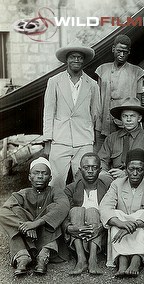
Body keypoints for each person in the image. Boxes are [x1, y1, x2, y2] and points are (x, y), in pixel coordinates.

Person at [43, 42, 100, 189]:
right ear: (66, 60)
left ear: (84, 60)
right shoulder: (54, 82)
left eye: (80, 57)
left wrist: (94, 140)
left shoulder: (92, 84)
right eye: (73, 57)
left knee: (83, 180)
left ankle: (81, 209)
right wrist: (47, 141)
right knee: (56, 180)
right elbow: (48, 112)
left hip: (84, 140)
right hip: (60, 139)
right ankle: (57, 209)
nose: (76, 60)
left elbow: (95, 114)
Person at [99, 149, 144, 277]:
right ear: (126, 169)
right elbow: (105, 206)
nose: (135, 173)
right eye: (131, 169)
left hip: (141, 225)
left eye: (139, 169)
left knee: (142, 214)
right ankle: (122, 261)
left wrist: (134, 224)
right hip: (122, 223)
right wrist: (121, 223)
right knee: (115, 216)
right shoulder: (117, 184)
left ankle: (136, 260)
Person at [0, 157, 70, 276]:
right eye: (36, 173)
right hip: (26, 239)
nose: (40, 176)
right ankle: (22, 257)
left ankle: (43, 256)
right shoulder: (23, 193)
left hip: (46, 236)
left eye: (44, 173)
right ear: (29, 177)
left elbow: (63, 206)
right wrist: (25, 226)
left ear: (50, 178)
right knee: (15, 209)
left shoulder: (55, 192)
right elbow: (3, 211)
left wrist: (36, 223)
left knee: (54, 209)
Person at [95, 34, 144, 151]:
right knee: (101, 157)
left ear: (129, 52)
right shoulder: (102, 70)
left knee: (122, 157)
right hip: (103, 124)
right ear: (113, 49)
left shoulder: (136, 72)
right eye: (119, 51)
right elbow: (97, 100)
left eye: (125, 52)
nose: (122, 55)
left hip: (125, 125)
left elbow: (139, 102)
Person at [64, 152, 112, 275]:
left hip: (99, 236)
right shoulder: (70, 189)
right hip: (77, 237)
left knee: (92, 211)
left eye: (94, 167)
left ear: (100, 170)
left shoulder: (108, 188)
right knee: (76, 210)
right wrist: (69, 228)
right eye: (86, 168)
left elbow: (114, 211)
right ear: (80, 170)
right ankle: (81, 259)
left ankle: (93, 258)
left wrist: (101, 227)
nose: (90, 171)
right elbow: (62, 213)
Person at [98, 97, 144, 179]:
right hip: (114, 178)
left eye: (132, 116)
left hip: (138, 177)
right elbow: (102, 160)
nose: (128, 119)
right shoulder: (111, 138)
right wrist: (104, 172)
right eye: (125, 116)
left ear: (139, 118)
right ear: (121, 118)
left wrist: (126, 173)